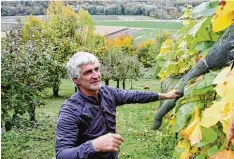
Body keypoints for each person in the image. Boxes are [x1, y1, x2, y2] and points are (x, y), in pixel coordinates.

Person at [56, 52, 181, 159]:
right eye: (88, 72)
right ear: (75, 80)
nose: (96, 75)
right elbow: (62, 154)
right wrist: (94, 145)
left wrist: (164, 96)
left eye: (97, 69)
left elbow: (134, 95)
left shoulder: (108, 93)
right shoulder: (70, 111)